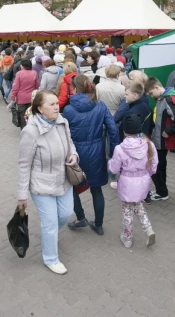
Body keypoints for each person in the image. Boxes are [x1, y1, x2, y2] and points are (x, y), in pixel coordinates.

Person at [17, 90, 78, 275]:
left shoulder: (62, 121)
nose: (56, 106)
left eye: (56, 102)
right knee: (50, 222)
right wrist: (22, 194)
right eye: (50, 104)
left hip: (63, 180)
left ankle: (48, 234)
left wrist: (74, 155)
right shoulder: (30, 131)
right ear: (40, 109)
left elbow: (70, 143)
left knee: (66, 213)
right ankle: (51, 259)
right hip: (41, 185)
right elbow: (23, 164)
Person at [64, 75, 119, 235]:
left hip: (76, 153)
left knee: (71, 185)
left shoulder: (68, 109)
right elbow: (113, 129)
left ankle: (80, 217)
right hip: (97, 151)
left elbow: (63, 133)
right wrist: (114, 152)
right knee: (96, 189)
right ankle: (99, 225)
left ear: (74, 88)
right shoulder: (100, 105)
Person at [108, 113, 158, 248]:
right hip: (143, 181)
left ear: (124, 131)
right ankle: (148, 229)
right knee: (138, 205)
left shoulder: (120, 148)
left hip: (127, 182)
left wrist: (109, 165)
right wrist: (148, 174)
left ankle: (128, 238)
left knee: (127, 210)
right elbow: (154, 165)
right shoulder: (149, 145)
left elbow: (114, 168)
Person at [144, 77, 175, 202]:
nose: (152, 96)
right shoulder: (163, 98)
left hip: (162, 141)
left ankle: (162, 192)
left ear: (156, 87)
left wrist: (168, 131)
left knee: (156, 166)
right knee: (160, 165)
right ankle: (161, 190)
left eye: (151, 93)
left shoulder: (169, 99)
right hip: (159, 140)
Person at [10, 59, 39, 129]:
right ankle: (31, 128)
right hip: (31, 97)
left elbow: (15, 87)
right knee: (30, 114)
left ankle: (24, 129)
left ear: (23, 66)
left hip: (21, 98)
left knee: (22, 115)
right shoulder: (34, 73)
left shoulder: (19, 74)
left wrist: (13, 96)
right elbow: (37, 86)